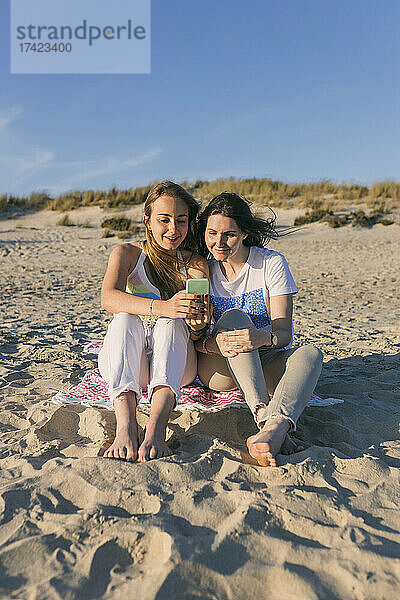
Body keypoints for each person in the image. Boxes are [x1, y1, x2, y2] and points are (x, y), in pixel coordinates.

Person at [195, 192, 323, 467]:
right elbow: (193, 336)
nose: (218, 243)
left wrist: (260, 338)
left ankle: (274, 429)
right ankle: (262, 415)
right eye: (212, 233)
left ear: (244, 233)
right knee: (233, 318)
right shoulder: (201, 269)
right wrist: (213, 344)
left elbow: (284, 335)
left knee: (311, 354)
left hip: (265, 362)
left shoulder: (270, 263)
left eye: (229, 234)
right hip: (220, 366)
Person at [99, 181, 209, 463]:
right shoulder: (126, 254)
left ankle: (156, 429)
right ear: (147, 220)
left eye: (181, 221)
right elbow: (108, 298)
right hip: (130, 363)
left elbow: (197, 330)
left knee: (173, 324)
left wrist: (197, 323)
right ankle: (126, 427)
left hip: (175, 365)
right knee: (123, 319)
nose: (173, 229)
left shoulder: (195, 264)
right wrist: (165, 307)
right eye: (164, 219)